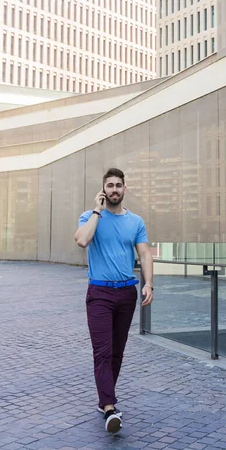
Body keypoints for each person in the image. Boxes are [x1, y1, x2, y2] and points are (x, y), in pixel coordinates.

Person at [74, 167, 153, 433]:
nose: (114, 190)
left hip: (126, 293)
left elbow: (144, 255)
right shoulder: (89, 217)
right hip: (99, 294)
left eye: (118, 185)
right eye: (110, 185)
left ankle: (104, 399)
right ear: (103, 189)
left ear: (125, 189)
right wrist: (97, 211)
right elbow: (82, 241)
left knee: (117, 352)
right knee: (103, 352)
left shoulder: (136, 221)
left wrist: (149, 284)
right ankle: (109, 407)